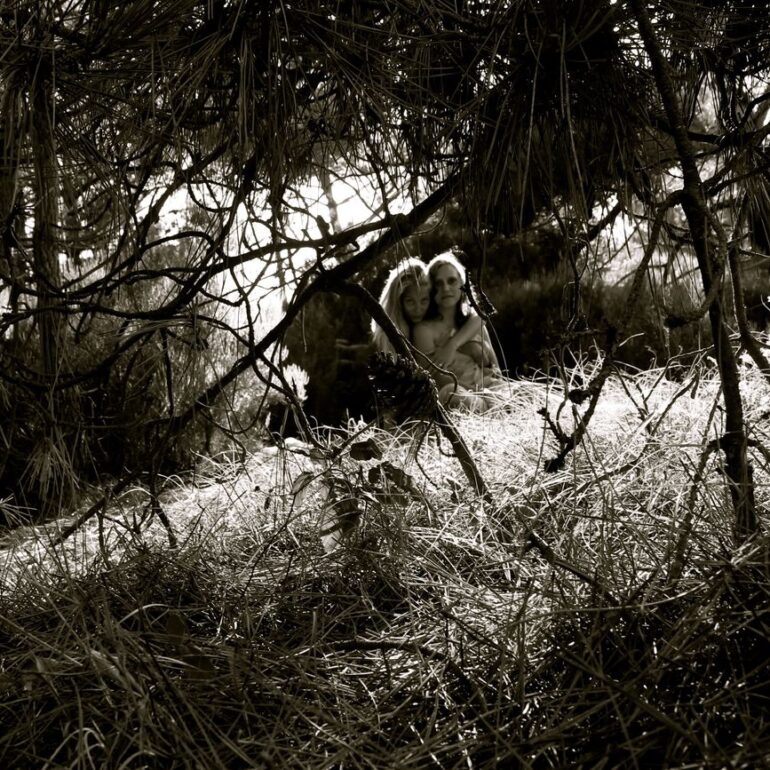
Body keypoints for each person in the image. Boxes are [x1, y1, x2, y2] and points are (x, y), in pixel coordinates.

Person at [371, 257, 493, 413]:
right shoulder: (412, 332)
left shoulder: (469, 322)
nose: (418, 309)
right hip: (437, 400)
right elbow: (434, 379)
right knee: (452, 394)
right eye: (410, 301)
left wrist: (456, 345)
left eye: (424, 300)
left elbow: (480, 319)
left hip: (484, 389)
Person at [413, 251, 510, 411]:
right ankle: (490, 411)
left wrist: (453, 346)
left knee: (523, 392)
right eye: (438, 283)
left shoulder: (476, 324)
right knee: (452, 393)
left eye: (452, 281)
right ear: (431, 289)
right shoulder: (424, 330)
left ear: (462, 283)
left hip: (490, 390)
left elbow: (496, 370)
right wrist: (478, 395)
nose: (446, 288)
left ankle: (497, 409)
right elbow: (434, 380)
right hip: (459, 395)